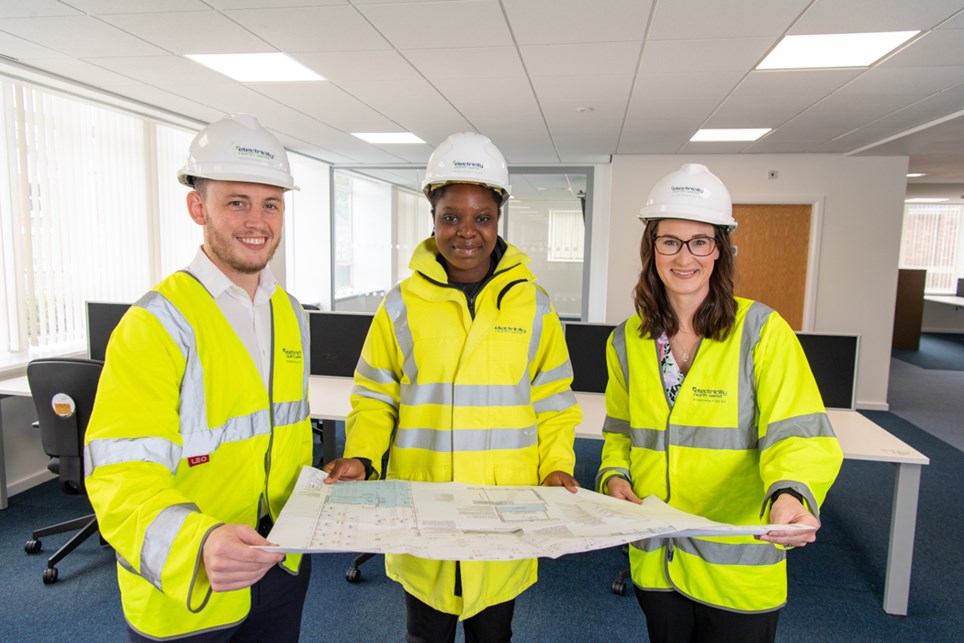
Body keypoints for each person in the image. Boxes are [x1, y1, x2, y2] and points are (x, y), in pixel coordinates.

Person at [323, 132, 581, 643]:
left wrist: (557, 465)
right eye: (451, 217)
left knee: (494, 635)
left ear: (499, 219)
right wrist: (362, 456)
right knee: (425, 635)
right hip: (424, 503)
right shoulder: (400, 304)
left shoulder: (535, 305)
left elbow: (554, 402)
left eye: (482, 217)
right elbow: (375, 397)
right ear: (432, 218)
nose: (467, 232)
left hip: (504, 505)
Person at [84, 114, 313, 641]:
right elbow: (120, 476)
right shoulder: (157, 324)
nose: (257, 220)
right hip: (191, 581)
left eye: (270, 204)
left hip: (279, 563)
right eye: (237, 202)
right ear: (197, 207)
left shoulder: (291, 314)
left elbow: (277, 437)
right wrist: (197, 542)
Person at [597, 163, 844, 642]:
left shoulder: (761, 331)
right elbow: (619, 430)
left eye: (700, 241)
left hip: (736, 561)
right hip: (657, 554)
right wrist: (614, 475)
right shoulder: (627, 340)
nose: (683, 256)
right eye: (669, 241)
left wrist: (792, 493)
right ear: (651, 249)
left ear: (719, 251)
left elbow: (799, 433)